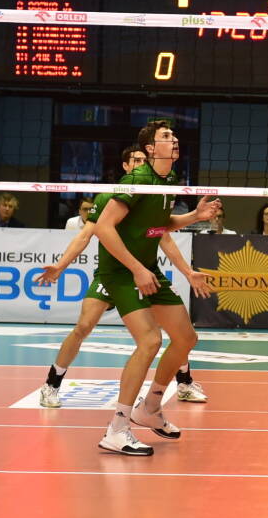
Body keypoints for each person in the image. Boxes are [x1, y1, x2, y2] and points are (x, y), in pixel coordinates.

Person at [37, 144, 210, 409]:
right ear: (126, 167)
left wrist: (187, 272)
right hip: (114, 275)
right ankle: (52, 384)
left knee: (170, 329)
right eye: (136, 161)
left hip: (143, 275)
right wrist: (60, 266)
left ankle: (184, 382)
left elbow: (163, 236)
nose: (141, 165)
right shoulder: (110, 198)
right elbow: (85, 235)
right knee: (84, 327)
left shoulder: (154, 192)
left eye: (144, 161)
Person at [92, 119, 221, 455]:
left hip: (147, 269)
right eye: (166, 136)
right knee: (150, 341)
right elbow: (103, 228)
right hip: (121, 272)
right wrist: (136, 269)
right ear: (150, 149)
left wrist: (194, 217)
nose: (174, 139)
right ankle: (117, 428)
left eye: (174, 135)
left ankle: (149, 407)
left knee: (186, 338)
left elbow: (160, 226)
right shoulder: (136, 180)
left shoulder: (170, 180)